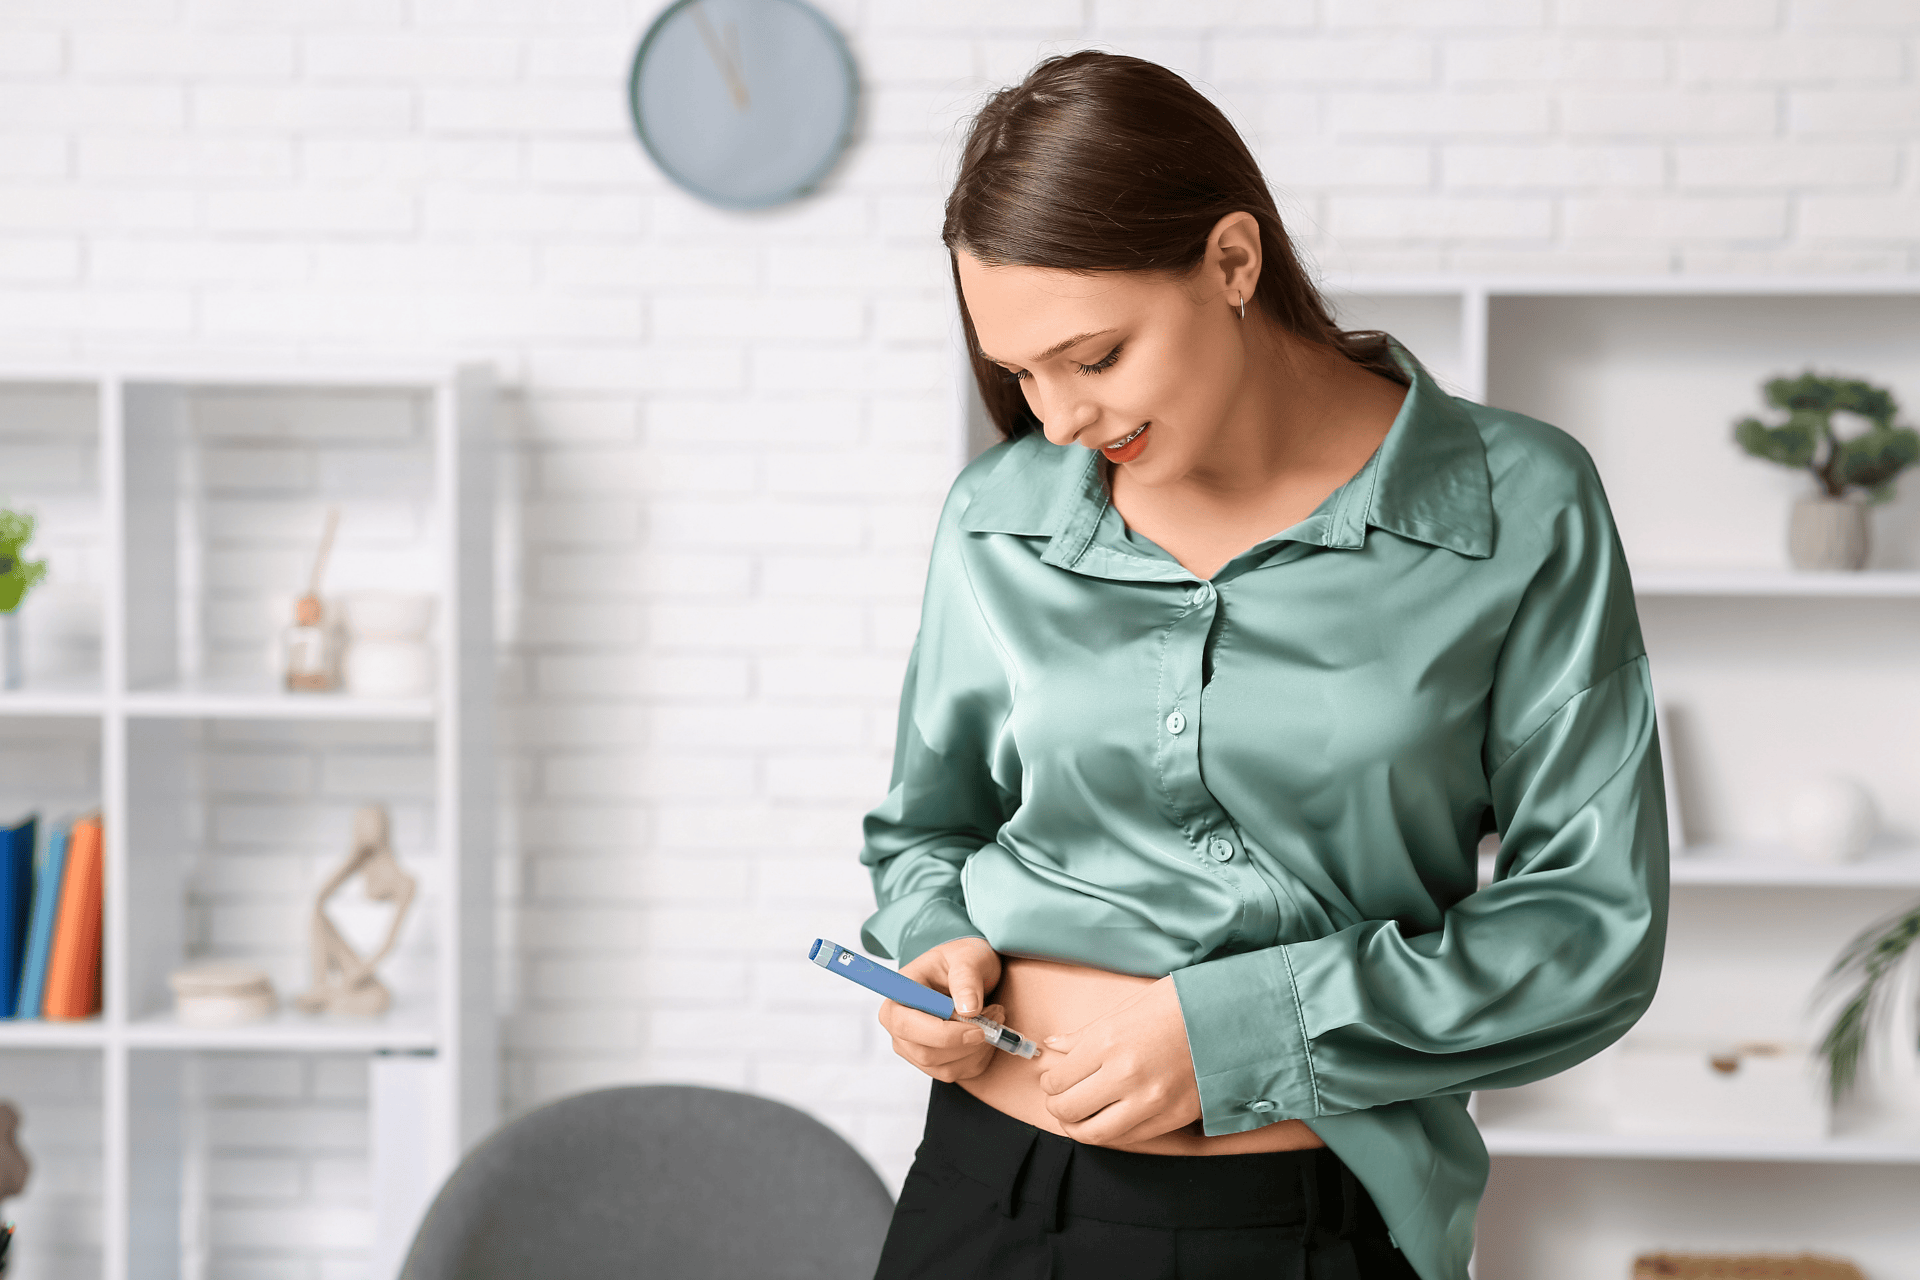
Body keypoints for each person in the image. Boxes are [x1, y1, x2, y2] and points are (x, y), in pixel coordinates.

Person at [858, 51, 1668, 1280]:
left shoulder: (1523, 505)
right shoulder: (998, 512)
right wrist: (931, 947)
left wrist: (1236, 1030)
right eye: (1020, 370)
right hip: (986, 1193)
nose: (1059, 417)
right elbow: (929, 831)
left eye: (1095, 355)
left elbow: (1591, 928)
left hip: (1304, 1219)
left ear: (1232, 261)